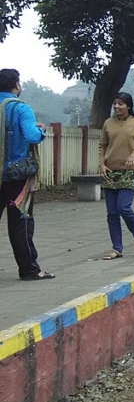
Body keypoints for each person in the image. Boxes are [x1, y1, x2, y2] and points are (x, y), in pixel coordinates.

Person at [0, 69, 54, 280]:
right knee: (20, 223)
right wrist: (40, 129)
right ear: (16, 85)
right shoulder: (20, 108)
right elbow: (31, 136)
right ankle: (29, 269)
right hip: (16, 176)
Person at [99, 92, 134, 259]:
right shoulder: (108, 123)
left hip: (132, 169)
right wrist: (101, 164)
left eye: (120, 103)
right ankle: (117, 248)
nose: (117, 106)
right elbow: (102, 145)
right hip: (111, 170)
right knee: (112, 213)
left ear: (128, 106)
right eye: (115, 103)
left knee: (124, 207)